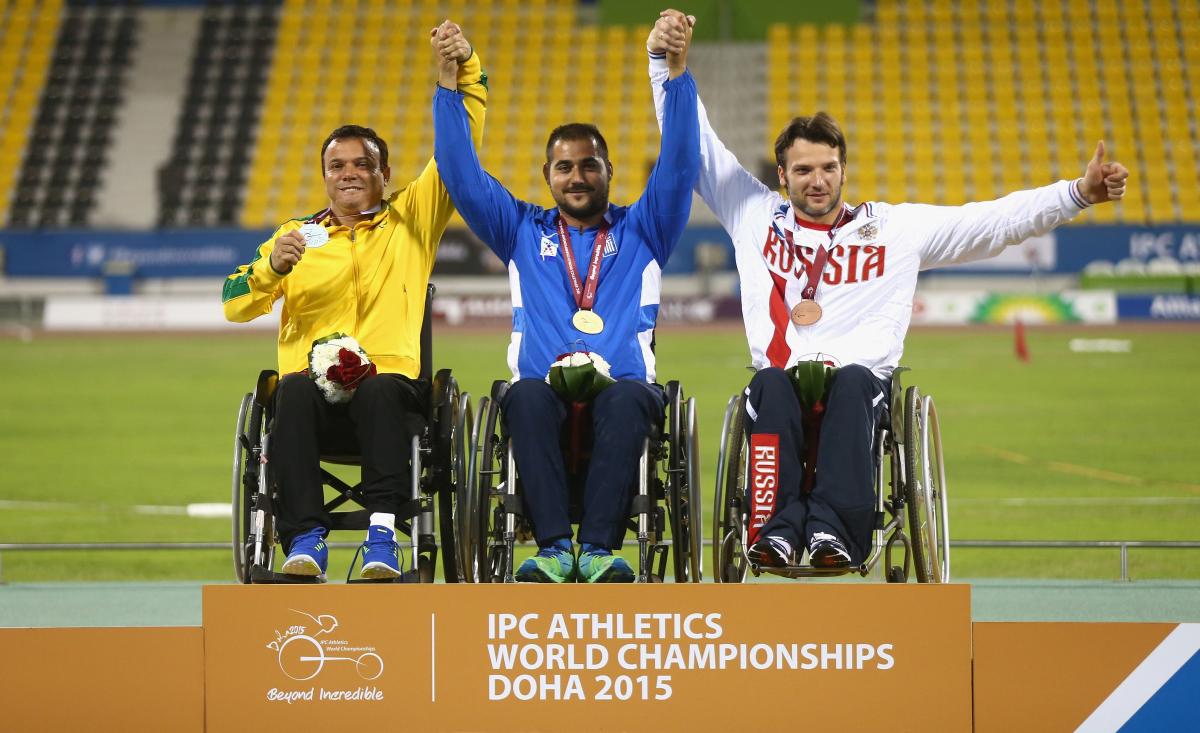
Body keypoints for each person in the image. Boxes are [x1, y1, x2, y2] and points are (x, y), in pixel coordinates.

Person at [647, 12, 1129, 570]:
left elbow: (993, 221)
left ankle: (834, 535)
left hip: (861, 381)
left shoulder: (895, 230)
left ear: (844, 170)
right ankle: (774, 534)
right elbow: (694, 144)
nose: (818, 180)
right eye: (803, 169)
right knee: (771, 387)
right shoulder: (753, 214)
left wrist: (1077, 193)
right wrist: (666, 65)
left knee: (853, 382)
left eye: (828, 167)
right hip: (779, 379)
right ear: (782, 175)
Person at [432, 13, 699, 583]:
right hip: (542, 392)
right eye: (564, 167)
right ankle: (554, 547)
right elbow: (460, 173)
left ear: (608, 170)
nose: (576, 177)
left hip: (624, 389)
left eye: (588, 165)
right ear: (547, 174)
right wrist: (448, 89)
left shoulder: (646, 228)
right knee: (523, 398)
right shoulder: (520, 230)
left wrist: (676, 74)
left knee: (628, 401)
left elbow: (679, 163)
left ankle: (599, 549)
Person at [220, 23, 486, 580]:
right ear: (323, 177)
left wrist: (462, 72)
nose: (349, 175)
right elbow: (233, 302)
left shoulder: (412, 217)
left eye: (362, 164)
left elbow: (459, 152)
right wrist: (272, 268)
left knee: (381, 390)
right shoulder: (293, 236)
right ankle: (305, 541)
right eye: (337, 166)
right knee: (288, 390)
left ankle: (383, 539)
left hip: (388, 391)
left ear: (384, 174)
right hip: (311, 399)